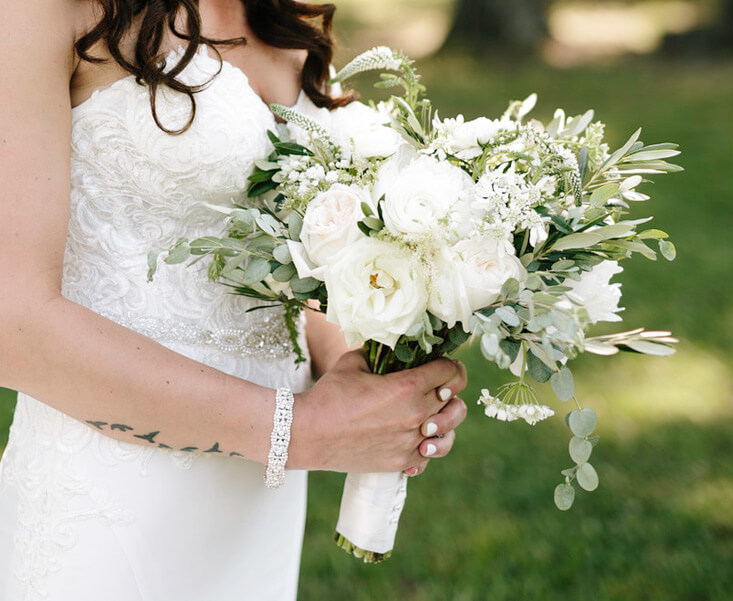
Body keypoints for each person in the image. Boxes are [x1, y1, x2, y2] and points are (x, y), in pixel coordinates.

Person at [0, 1, 470, 599]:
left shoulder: (279, 12)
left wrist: (379, 384)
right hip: (109, 497)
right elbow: (12, 324)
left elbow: (294, 263)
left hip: (258, 501)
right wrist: (299, 430)